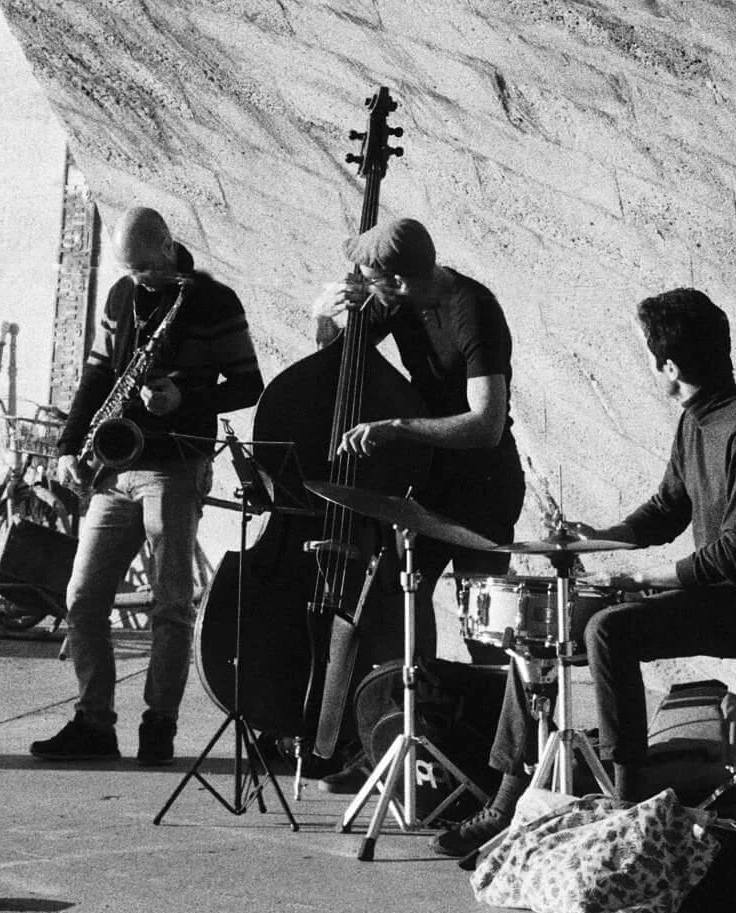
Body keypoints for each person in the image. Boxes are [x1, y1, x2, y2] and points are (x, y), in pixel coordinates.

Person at [435, 288, 736, 857]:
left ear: (670, 364)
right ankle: (509, 796)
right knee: (544, 624)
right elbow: (667, 509)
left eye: (648, 353)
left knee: (610, 629)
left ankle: (629, 800)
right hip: (715, 595)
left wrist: (644, 581)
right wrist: (600, 537)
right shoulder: (697, 420)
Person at [30, 208, 263, 767]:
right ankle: (94, 723)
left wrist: (185, 398)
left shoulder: (212, 301)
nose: (139, 281)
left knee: (171, 605)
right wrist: (68, 447)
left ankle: (159, 725)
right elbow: (96, 373)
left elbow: (249, 384)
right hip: (115, 471)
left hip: (174, 467)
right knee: (82, 600)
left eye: (145, 269)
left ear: (166, 247)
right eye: (129, 271)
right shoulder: (121, 295)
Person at [312, 216, 525, 664]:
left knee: (482, 631)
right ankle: (424, 708)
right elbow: (336, 365)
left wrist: (396, 428)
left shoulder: (473, 309)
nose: (365, 288)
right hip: (430, 479)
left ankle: (495, 729)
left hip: (483, 484)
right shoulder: (395, 300)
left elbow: (486, 423)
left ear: (399, 281)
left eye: (370, 281)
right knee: (404, 600)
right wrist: (324, 316)